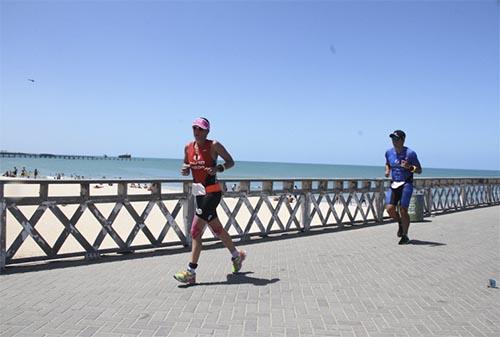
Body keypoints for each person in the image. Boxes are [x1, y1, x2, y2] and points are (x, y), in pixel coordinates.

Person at [174, 117, 246, 284]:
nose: (197, 132)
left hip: (212, 192)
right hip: (198, 193)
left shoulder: (213, 145)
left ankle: (190, 272)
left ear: (207, 131)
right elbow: (187, 165)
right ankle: (237, 256)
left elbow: (231, 162)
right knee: (217, 229)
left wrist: (218, 168)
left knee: (195, 231)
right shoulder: (188, 147)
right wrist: (185, 169)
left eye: (201, 129)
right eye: (195, 128)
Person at [385, 130, 422, 244]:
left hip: (406, 183)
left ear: (402, 140)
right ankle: (400, 223)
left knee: (403, 209)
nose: (394, 141)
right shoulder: (388, 152)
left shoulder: (410, 153)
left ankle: (405, 235)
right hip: (394, 183)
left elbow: (419, 170)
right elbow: (388, 163)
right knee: (389, 209)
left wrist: (409, 167)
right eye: (392, 139)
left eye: (396, 139)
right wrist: (387, 170)